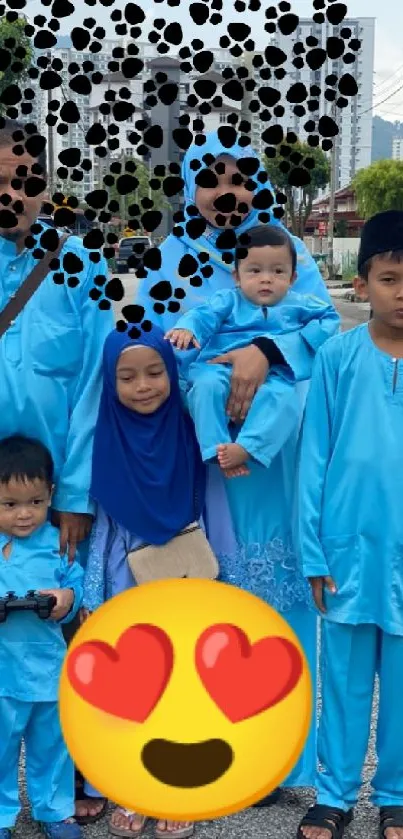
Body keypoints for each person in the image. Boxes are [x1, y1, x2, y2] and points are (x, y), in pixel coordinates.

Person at [135, 129, 338, 801]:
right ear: (190, 186)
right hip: (200, 455)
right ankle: (206, 756)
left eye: (240, 177)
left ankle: (284, 760)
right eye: (211, 177)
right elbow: (153, 356)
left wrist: (263, 350)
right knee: (210, 598)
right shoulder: (171, 259)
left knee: (281, 597)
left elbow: (323, 327)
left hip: (272, 459)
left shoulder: (286, 250)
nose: (228, 191)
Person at [0, 118, 113, 821]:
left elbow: (95, 389)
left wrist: (73, 496)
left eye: (24, 178)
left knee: (65, 627)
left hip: (49, 504)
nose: (11, 192)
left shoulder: (80, 265)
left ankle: (72, 777)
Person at [296, 209, 403, 839]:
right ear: (362, 284)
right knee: (342, 679)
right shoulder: (338, 356)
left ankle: (395, 793)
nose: (402, 291)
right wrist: (314, 552)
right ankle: (334, 794)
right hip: (346, 551)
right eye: (390, 277)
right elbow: (314, 460)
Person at [81, 324, 206, 838]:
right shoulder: (105, 439)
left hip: (180, 580)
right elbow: (103, 527)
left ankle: (176, 795)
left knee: (181, 686)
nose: (144, 386)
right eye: (127, 377)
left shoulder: (190, 427)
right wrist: (92, 597)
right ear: (109, 385)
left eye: (156, 372)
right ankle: (133, 790)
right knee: (131, 691)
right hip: (124, 584)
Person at [166, 224, 339, 477]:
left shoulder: (300, 304)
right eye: (255, 270)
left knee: (281, 398)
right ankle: (215, 448)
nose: (266, 278)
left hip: (274, 373)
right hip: (218, 365)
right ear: (237, 276)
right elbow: (203, 316)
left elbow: (330, 320)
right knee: (205, 387)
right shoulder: (228, 300)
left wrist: (287, 345)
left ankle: (249, 446)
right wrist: (187, 328)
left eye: (278, 271)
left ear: (293, 278)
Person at [0, 435, 84, 839]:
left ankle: (55, 809)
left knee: (52, 745)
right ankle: (1, 814)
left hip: (48, 667)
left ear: (51, 494)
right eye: (10, 505)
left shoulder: (57, 543)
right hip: (2, 672)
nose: (23, 516)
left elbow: (77, 584)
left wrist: (67, 598)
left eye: (35, 502)